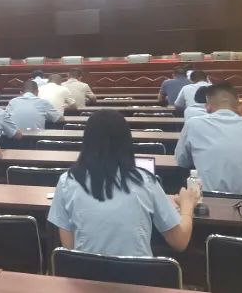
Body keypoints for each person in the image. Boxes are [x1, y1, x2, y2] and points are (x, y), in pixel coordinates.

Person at [48, 109, 199, 257]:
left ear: (86, 142)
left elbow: (70, 249)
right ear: (127, 142)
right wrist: (187, 205)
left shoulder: (67, 181)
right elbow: (180, 242)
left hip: (85, 272)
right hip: (137, 273)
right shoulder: (145, 181)